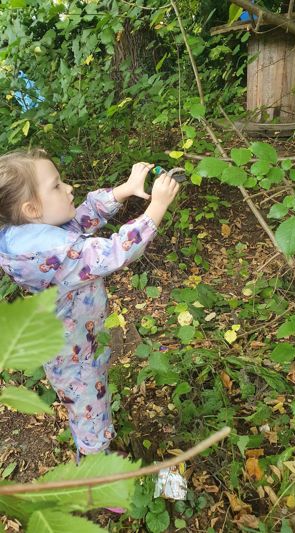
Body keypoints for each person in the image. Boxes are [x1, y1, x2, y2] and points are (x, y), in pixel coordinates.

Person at [0, 147, 179, 462]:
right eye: (56, 186)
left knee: (93, 401)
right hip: (73, 358)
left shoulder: (31, 234)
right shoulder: (49, 252)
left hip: (82, 340)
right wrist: (157, 206)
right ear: (30, 209)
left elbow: (79, 220)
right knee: (90, 417)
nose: (68, 188)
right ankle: (97, 476)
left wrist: (125, 190)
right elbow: (115, 252)